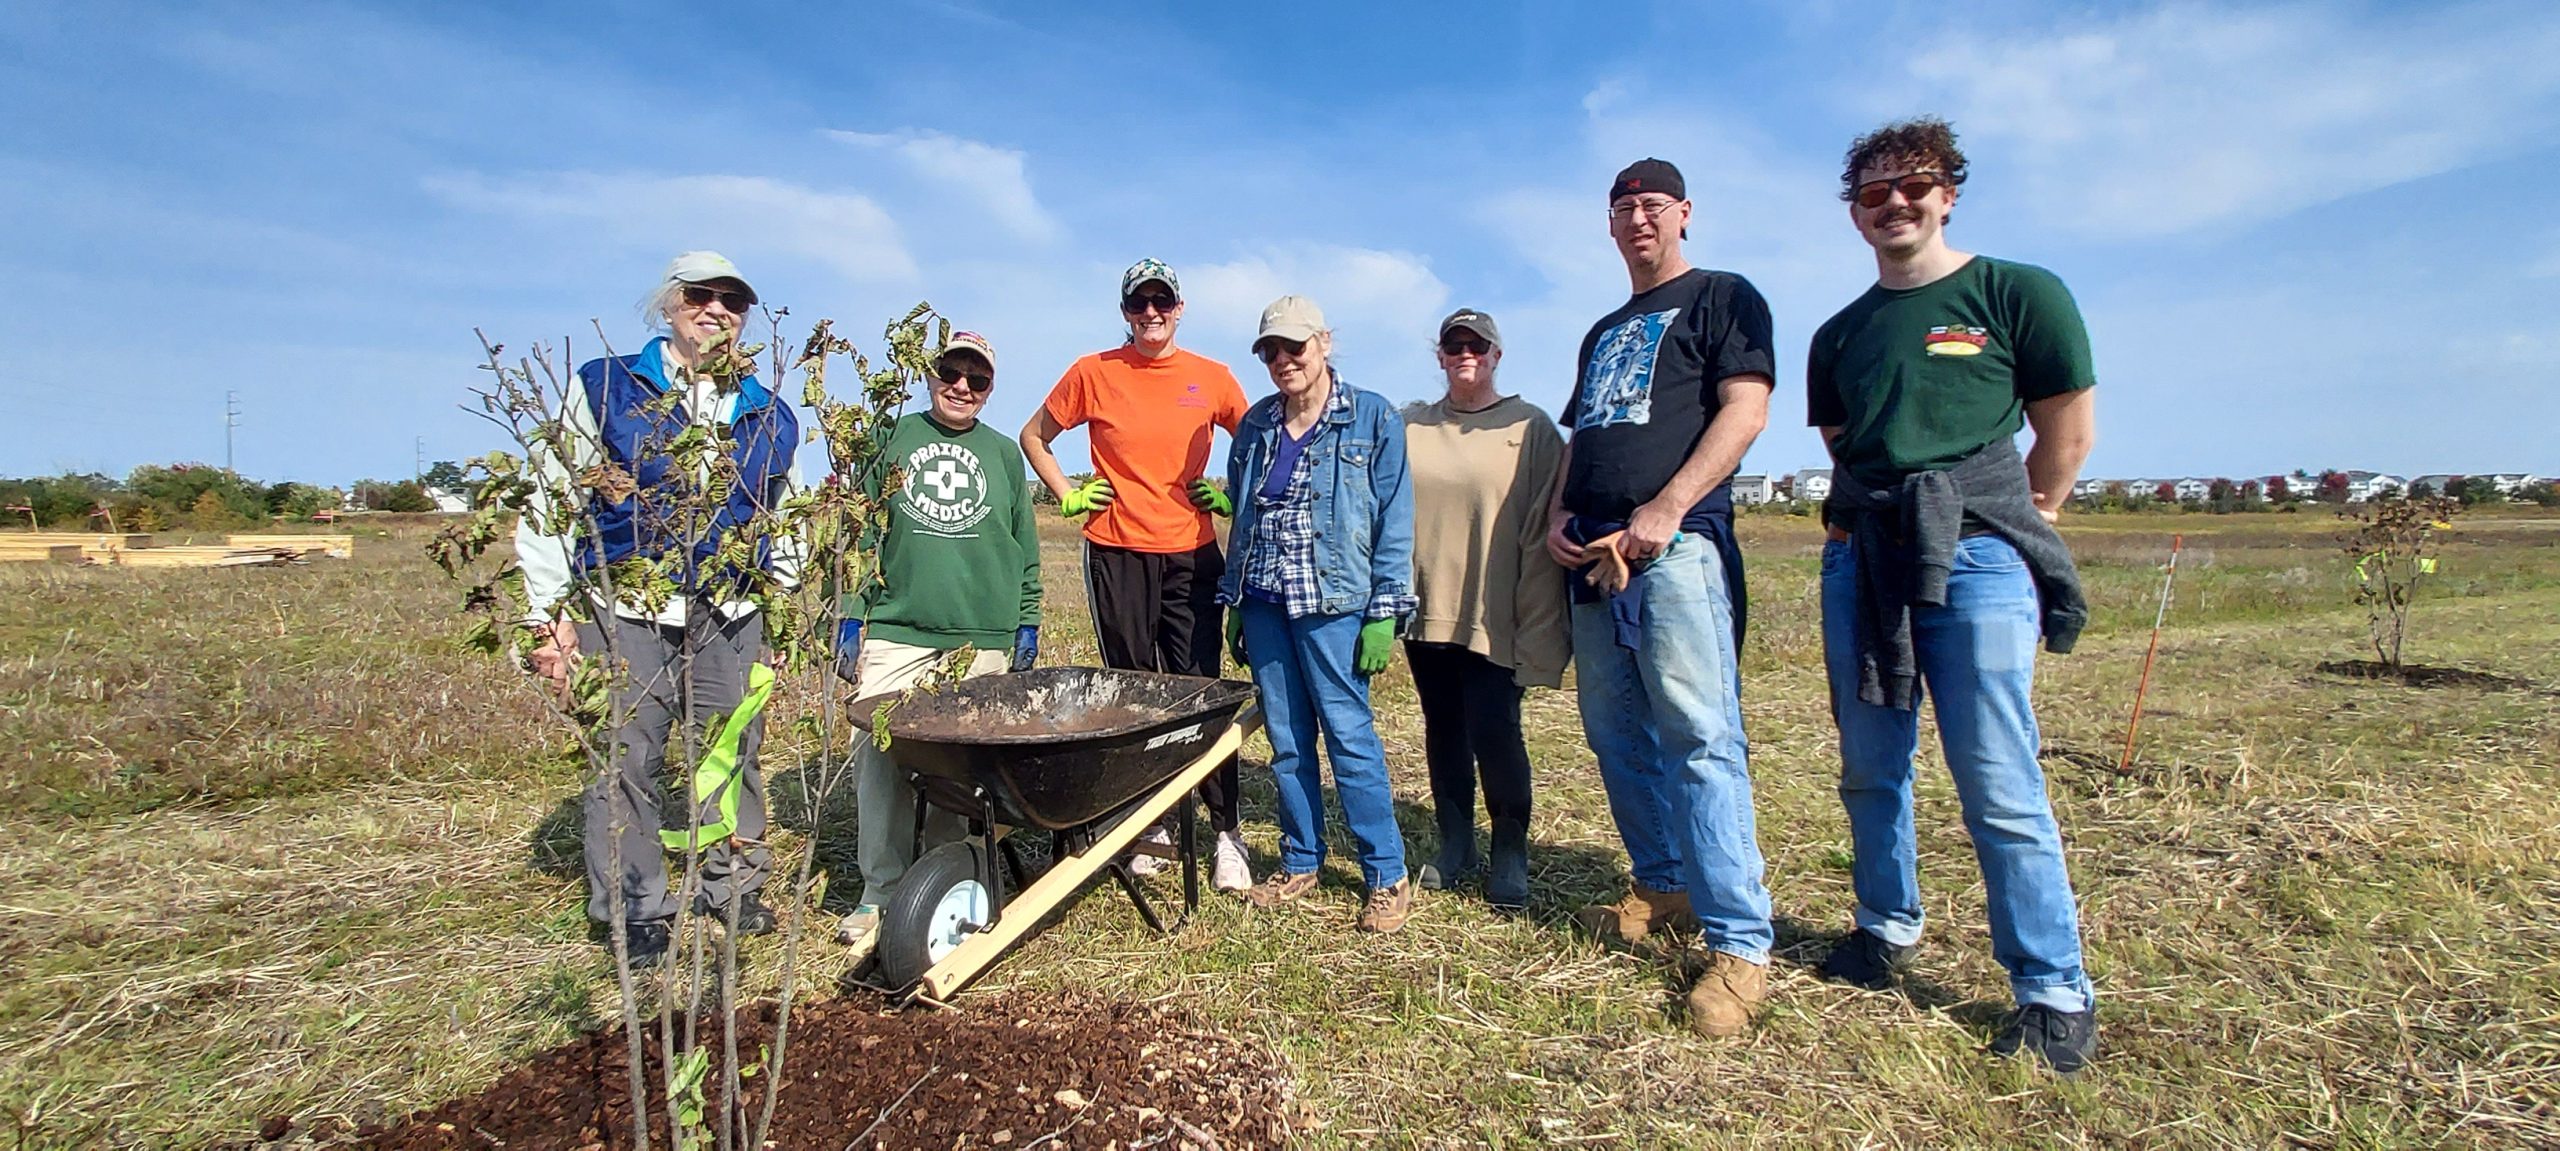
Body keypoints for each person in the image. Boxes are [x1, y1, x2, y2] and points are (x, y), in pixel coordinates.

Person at [1806, 117, 2100, 1073]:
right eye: (1873, 192)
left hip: (1975, 558)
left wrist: (2021, 518)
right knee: (1869, 762)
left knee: (1997, 778)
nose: (1895, 203)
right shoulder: (1839, 333)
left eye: (1914, 185)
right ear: (1853, 212)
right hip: (1865, 560)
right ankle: (1883, 929)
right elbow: (1848, 447)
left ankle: (2052, 987)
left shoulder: (2017, 293)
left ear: (1949, 192)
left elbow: (2066, 432)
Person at [1544, 159, 1777, 1037]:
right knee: (1613, 730)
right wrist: (1561, 512)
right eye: (1623, 207)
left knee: (1701, 737)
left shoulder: (1724, 296)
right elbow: (1584, 433)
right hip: (1593, 557)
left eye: (1653, 205)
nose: (1638, 218)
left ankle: (1742, 943)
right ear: (1609, 225)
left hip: (1675, 551)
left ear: (1684, 213)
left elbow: (1745, 411)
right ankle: (1663, 880)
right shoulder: (1605, 328)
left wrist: (1668, 508)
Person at [520, 251, 801, 969]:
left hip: (733, 608)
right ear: (669, 304)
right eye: (700, 296)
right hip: (630, 604)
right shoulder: (609, 387)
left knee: (732, 751)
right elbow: (551, 499)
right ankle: (634, 905)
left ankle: (733, 887)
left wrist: (781, 613)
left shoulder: (769, 413)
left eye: (732, 301)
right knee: (627, 755)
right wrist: (549, 614)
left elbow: (789, 516)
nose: (717, 311)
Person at [1020, 259, 1254, 891]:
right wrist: (1066, 491)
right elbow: (1033, 435)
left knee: (1199, 687)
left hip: (1192, 553)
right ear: (1125, 311)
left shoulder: (1211, 377)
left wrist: (1235, 494)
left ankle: (1226, 830)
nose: (1151, 313)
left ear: (1180, 308)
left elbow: (1257, 436)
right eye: (1139, 303)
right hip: (1116, 548)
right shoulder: (1093, 372)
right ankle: (1148, 826)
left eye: (1162, 302)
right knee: (1130, 689)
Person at [829, 332, 1043, 957]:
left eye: (978, 380)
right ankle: (880, 889)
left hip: (981, 638)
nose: (962, 387)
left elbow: (1024, 546)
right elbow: (859, 531)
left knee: (961, 771)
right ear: (930, 373)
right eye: (952, 372)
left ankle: (947, 878)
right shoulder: (890, 438)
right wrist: (848, 614)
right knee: (879, 755)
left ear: (991, 389)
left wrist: (1024, 621)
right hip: (899, 631)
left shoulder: (1004, 455)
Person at [1218, 296, 1417, 933]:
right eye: (1270, 351)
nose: (1283, 361)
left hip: (1335, 605)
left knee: (1350, 738)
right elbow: (1244, 516)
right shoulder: (1255, 426)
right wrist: (1235, 599)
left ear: (1324, 343)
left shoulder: (1372, 419)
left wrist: (1385, 609)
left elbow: (1395, 522)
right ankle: (1300, 860)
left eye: (1294, 347)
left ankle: (1385, 874)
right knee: (1287, 743)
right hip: (1267, 604)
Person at [1399, 308, 1569, 910]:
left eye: (1478, 344)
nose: (1465, 352)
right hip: (1425, 612)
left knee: (1497, 733)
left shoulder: (1532, 427)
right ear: (1440, 356)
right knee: (1443, 728)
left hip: (1497, 612)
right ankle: (1455, 843)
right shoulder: (1410, 425)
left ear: (1497, 355)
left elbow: (1546, 529)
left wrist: (1539, 625)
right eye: (1453, 344)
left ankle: (1510, 849)